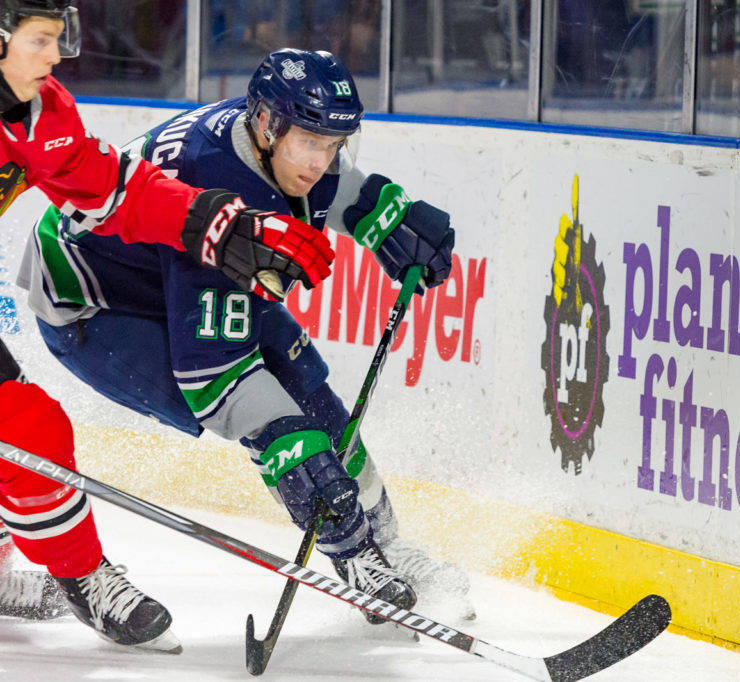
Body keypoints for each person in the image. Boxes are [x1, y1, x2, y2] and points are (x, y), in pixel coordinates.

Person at [19, 47, 470, 631]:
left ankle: (388, 544)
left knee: (309, 391)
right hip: (97, 306)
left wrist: (383, 210)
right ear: (266, 125)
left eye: (333, 144)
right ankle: (356, 555)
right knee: (280, 428)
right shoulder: (219, 181)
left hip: (169, 266)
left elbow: (332, 185)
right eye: (310, 143)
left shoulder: (269, 131)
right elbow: (215, 379)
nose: (320, 161)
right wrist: (300, 464)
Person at [0, 1, 339, 652]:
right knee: (25, 432)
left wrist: (213, 224)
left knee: (24, 437)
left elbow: (110, 191)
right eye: (40, 41)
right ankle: (84, 576)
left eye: (57, 38)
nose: (56, 56)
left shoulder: (42, 113)